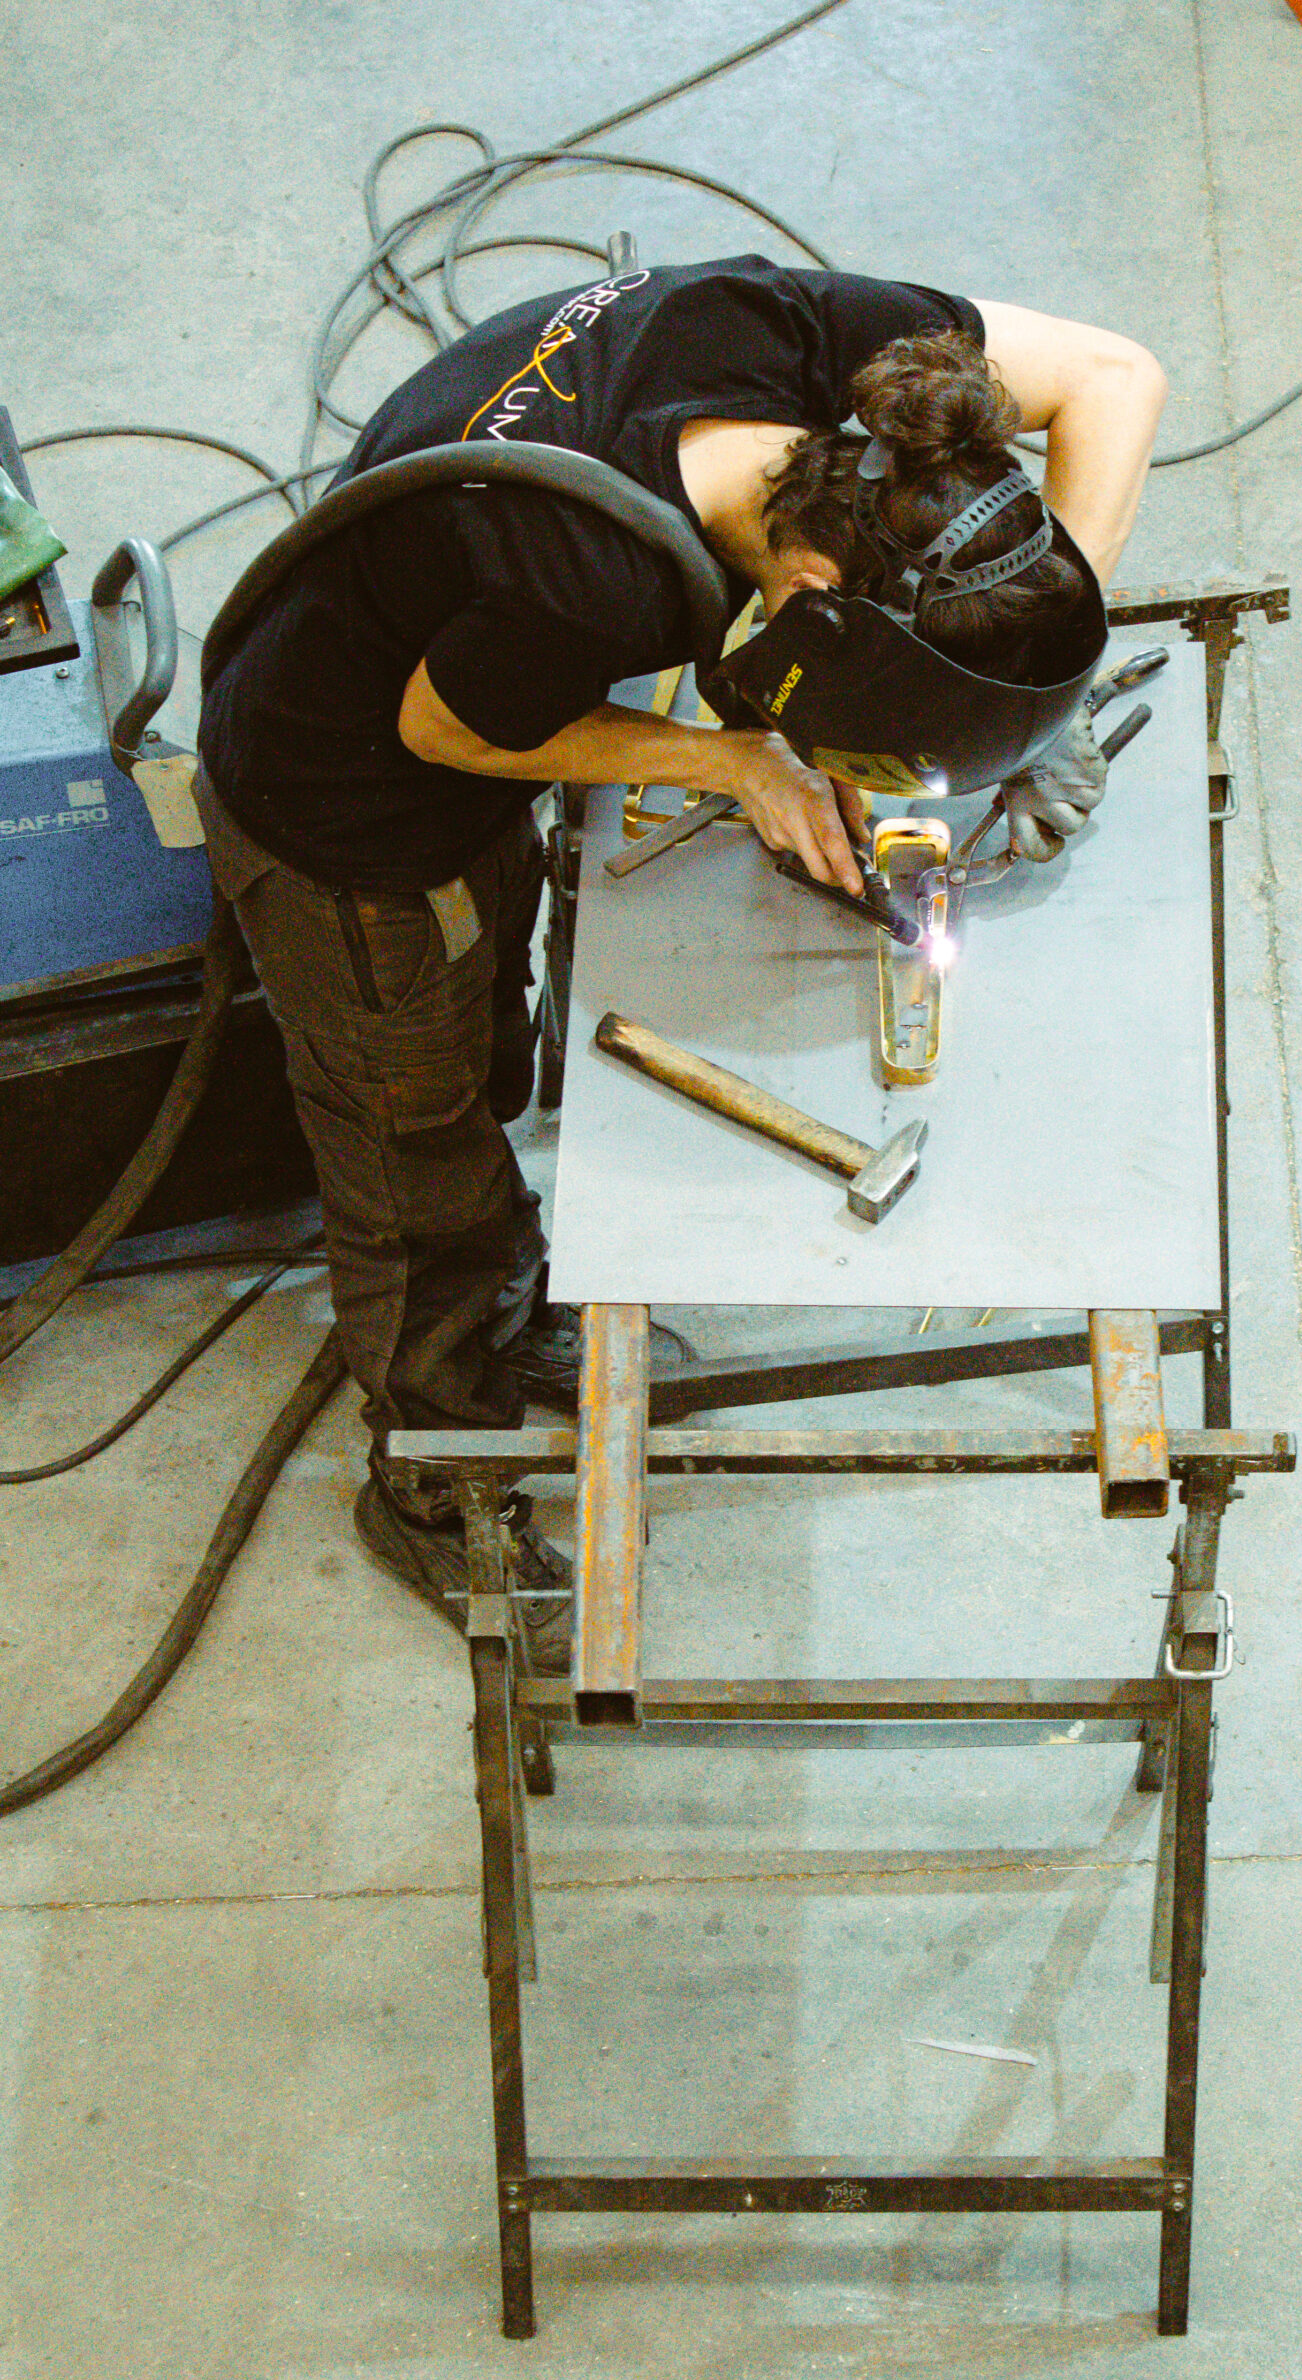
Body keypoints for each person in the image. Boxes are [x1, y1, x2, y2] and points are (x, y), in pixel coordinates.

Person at [192, 256, 1166, 1653]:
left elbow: (1116, 377)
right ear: (815, 591)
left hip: (447, 688)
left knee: (479, 1058)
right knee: (408, 1159)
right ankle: (429, 1481)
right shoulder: (588, 577)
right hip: (345, 813)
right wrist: (735, 762)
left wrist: (1023, 688)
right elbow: (442, 731)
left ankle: (506, 1298)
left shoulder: (822, 360)